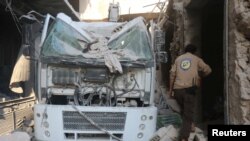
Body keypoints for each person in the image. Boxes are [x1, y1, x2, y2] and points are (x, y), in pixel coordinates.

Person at [168, 44, 212, 141]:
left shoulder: (178, 59)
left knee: (184, 110)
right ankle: (184, 138)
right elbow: (208, 70)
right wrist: (200, 76)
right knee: (188, 115)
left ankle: (191, 126)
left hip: (177, 89)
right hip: (189, 90)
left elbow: (172, 75)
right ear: (195, 51)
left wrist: (170, 91)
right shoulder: (196, 59)